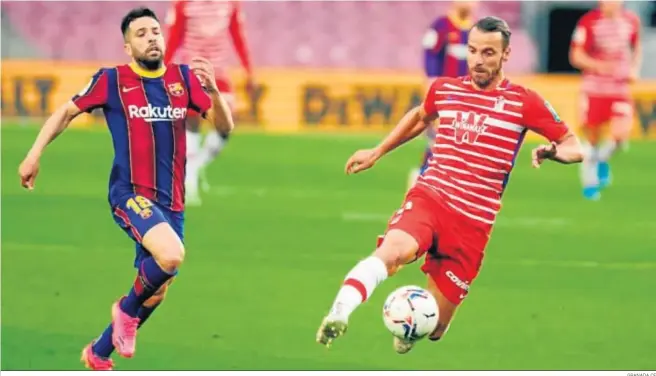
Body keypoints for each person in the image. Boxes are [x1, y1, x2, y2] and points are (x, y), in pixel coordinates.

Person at [316, 16, 584, 354]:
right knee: (393, 251)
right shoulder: (446, 88)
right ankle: (340, 310)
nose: (478, 60)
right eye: (473, 51)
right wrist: (377, 151)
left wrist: (553, 151)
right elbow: (419, 116)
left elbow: (575, 146)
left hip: (472, 223)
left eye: (488, 53)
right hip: (432, 196)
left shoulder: (524, 101)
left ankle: (410, 327)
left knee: (436, 329)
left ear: (506, 55)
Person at [17, 7, 234, 370]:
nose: (151, 38)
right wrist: (34, 153)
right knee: (171, 256)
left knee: (158, 288)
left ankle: (99, 351)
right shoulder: (111, 80)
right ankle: (123, 311)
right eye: (141, 34)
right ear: (127, 47)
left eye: (155, 31)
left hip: (172, 202)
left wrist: (212, 90)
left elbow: (224, 126)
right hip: (130, 194)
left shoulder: (183, 79)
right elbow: (65, 112)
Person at [165, 0, 255, 206]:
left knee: (226, 126)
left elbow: (238, 37)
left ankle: (194, 167)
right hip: (191, 71)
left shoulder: (230, 4)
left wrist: (248, 71)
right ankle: (190, 183)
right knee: (193, 123)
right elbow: (174, 38)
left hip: (219, 74)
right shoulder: (184, 4)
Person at [569, 0, 641, 200]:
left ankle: (602, 159)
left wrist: (634, 69)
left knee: (621, 134)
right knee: (592, 137)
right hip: (594, 90)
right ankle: (589, 185)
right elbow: (576, 56)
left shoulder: (631, 21)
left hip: (619, 89)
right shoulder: (589, 22)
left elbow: (636, 48)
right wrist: (600, 66)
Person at [409, 0, 478, 189]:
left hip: (471, 105)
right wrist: (433, 105)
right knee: (438, 149)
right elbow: (430, 70)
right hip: (446, 102)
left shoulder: (479, 32)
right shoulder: (440, 28)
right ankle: (419, 186)